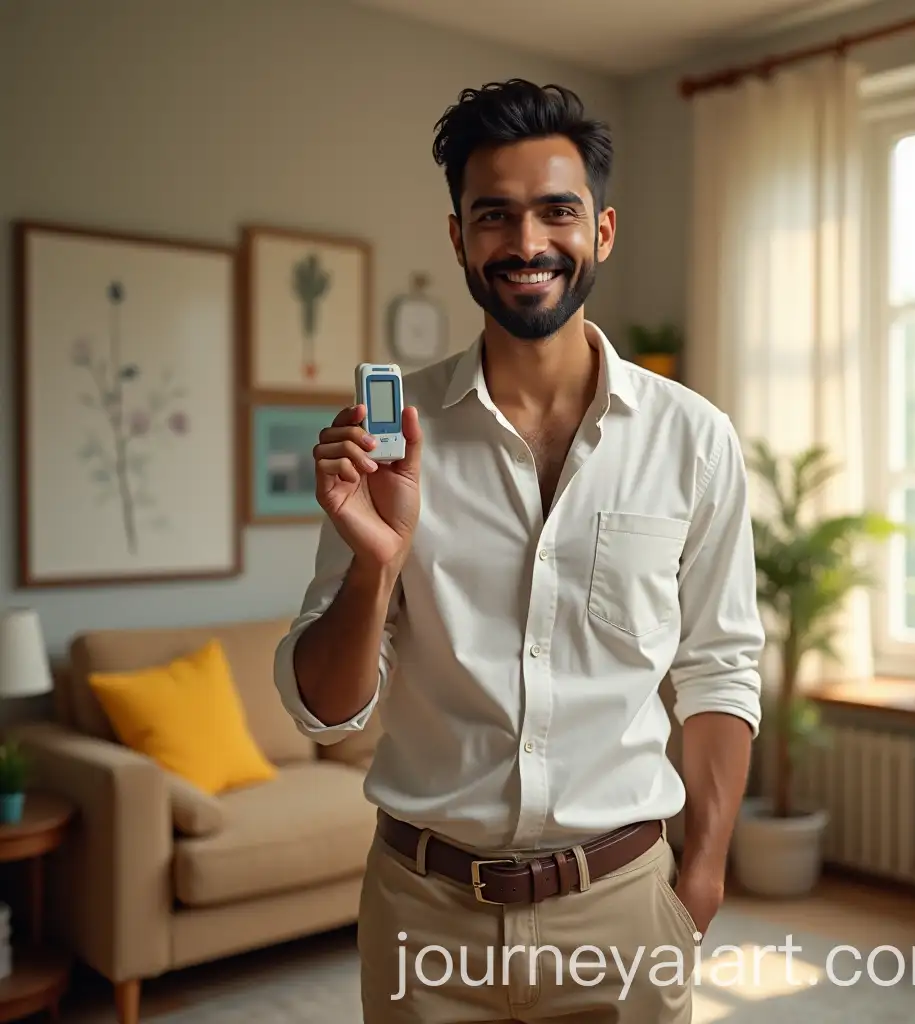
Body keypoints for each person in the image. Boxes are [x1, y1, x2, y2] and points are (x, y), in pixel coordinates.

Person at [273, 79, 764, 1023]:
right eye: (494, 215)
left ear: (602, 232)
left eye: (556, 212)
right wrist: (377, 562)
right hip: (424, 917)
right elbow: (326, 713)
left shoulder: (694, 440)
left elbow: (719, 669)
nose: (527, 242)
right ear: (458, 237)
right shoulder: (391, 442)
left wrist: (699, 876)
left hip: (624, 910)